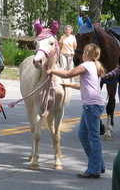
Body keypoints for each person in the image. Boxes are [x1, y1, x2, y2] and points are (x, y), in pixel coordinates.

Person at [48, 43, 105, 178]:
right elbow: (82, 86)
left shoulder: (86, 65)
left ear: (87, 54)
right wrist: (67, 85)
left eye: (84, 52)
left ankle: (94, 169)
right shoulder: (94, 66)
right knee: (83, 135)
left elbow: (68, 73)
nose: (82, 54)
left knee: (93, 138)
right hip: (91, 105)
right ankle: (98, 165)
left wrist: (52, 71)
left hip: (92, 106)